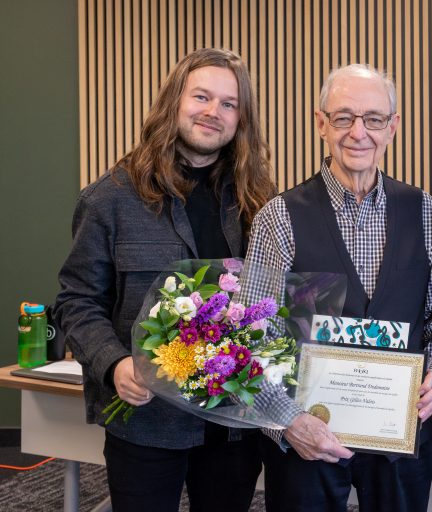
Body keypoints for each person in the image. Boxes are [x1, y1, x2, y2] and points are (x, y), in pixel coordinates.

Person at [53, 48, 275, 511]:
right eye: (201, 96)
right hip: (147, 419)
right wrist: (115, 364)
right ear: (174, 101)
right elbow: (77, 301)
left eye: (229, 104)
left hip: (234, 421)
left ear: (241, 119)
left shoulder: (260, 203)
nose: (213, 112)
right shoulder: (109, 200)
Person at [242, 64, 432, 512]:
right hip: (306, 435)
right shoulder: (278, 217)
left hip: (399, 429)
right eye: (343, 118)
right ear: (321, 123)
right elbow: (254, 338)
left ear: (393, 127)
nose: (358, 132)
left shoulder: (424, 210)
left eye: (373, 118)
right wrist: (287, 422)